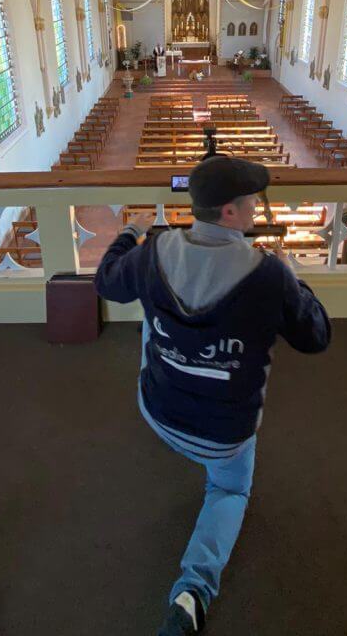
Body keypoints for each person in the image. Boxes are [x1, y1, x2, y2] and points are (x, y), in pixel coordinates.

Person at [94, 157, 331, 635]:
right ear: (229, 211)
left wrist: (131, 233)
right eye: (251, 201)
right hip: (223, 437)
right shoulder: (268, 275)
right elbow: (316, 336)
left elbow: (106, 281)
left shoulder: (152, 252)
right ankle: (194, 590)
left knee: (155, 313)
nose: (256, 207)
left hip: (157, 408)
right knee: (229, 490)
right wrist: (293, 278)